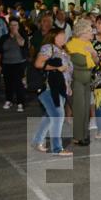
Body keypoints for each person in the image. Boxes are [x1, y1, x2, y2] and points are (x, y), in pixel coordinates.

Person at [31, 28, 74, 156]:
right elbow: (38, 64)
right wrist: (57, 67)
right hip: (49, 88)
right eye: (60, 36)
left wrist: (68, 86)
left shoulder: (64, 50)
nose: (63, 38)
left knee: (50, 116)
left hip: (60, 89)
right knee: (58, 115)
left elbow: (66, 72)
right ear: (53, 37)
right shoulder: (48, 47)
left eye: (64, 36)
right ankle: (57, 148)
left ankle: (37, 141)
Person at [66, 19, 99, 146]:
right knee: (79, 109)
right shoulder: (72, 46)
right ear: (82, 33)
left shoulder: (89, 44)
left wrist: (93, 54)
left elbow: (95, 62)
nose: (92, 33)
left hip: (87, 80)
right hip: (76, 81)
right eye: (90, 31)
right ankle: (77, 137)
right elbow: (83, 63)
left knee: (85, 109)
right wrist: (92, 55)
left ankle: (84, 135)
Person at [0, 17, 28, 112]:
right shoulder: (4, 37)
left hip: (19, 63)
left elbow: (22, 43)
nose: (13, 27)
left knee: (19, 84)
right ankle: (9, 100)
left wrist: (16, 33)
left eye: (15, 25)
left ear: (18, 26)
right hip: (6, 64)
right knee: (8, 83)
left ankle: (20, 103)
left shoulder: (22, 35)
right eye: (11, 25)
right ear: (8, 26)